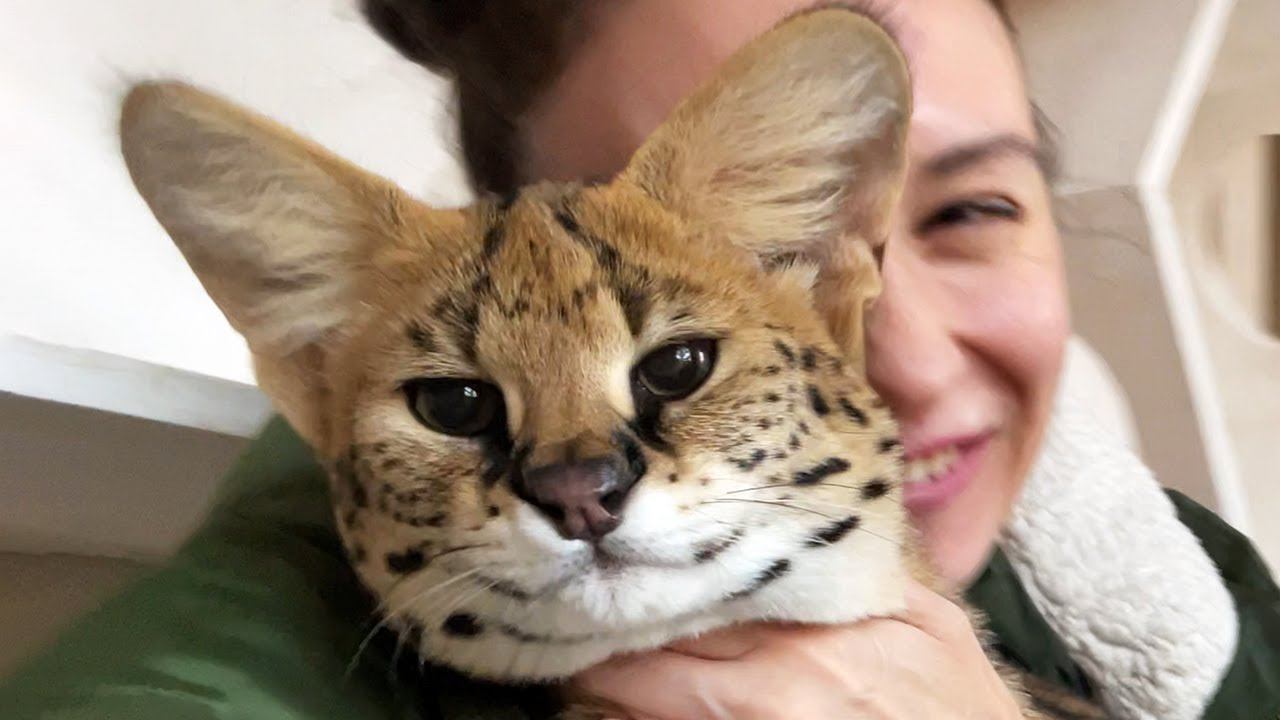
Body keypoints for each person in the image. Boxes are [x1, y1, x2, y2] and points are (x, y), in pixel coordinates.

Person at [1, 2, 1276, 720]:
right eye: (455, 400)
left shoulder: (1192, 570)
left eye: (970, 209)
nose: (577, 479)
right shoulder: (298, 578)